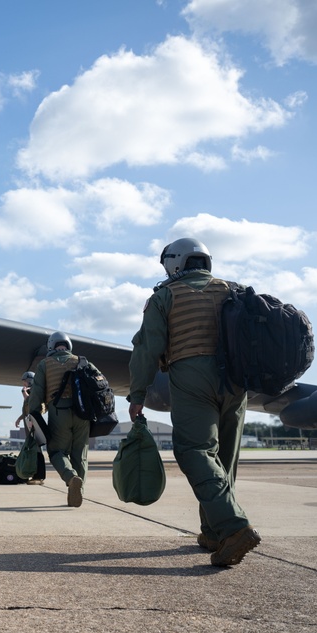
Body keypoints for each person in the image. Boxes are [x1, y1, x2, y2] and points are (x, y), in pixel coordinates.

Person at [127, 237, 261, 567]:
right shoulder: (233, 290)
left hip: (192, 375)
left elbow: (148, 349)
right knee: (223, 460)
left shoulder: (165, 296)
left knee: (194, 451)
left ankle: (233, 527)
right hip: (237, 382)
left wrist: (137, 395)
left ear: (175, 262)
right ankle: (213, 532)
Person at [27, 331, 95, 506]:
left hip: (59, 413)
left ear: (51, 346)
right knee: (80, 455)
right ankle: (78, 489)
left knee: (57, 451)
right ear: (69, 345)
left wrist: (33, 415)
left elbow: (36, 394)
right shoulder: (82, 361)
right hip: (83, 414)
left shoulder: (45, 364)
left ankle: (71, 477)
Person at [15, 371, 46, 484]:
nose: (23, 384)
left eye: (24, 381)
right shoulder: (30, 391)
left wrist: (26, 396)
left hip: (35, 425)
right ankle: (34, 475)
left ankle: (39, 477)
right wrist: (20, 418)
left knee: (37, 450)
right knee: (33, 450)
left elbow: (37, 407)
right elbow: (27, 410)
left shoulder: (35, 391)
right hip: (30, 424)